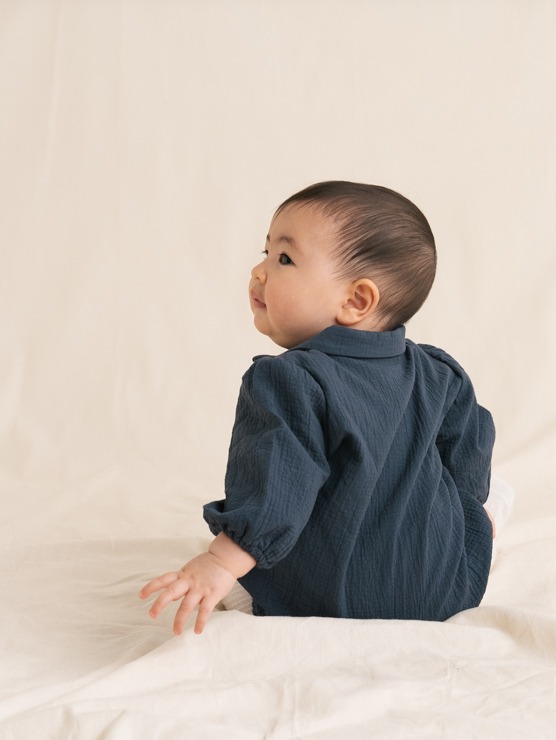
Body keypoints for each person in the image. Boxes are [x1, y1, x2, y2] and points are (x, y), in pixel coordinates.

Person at [140, 181, 513, 635]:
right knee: (475, 494)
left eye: (284, 259)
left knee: (270, 556)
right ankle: (486, 519)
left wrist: (220, 563)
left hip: (322, 601)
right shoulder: (438, 373)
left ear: (356, 301)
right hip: (444, 592)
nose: (258, 271)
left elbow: (275, 487)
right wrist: (472, 510)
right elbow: (469, 450)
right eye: (265, 253)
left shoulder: (287, 382)